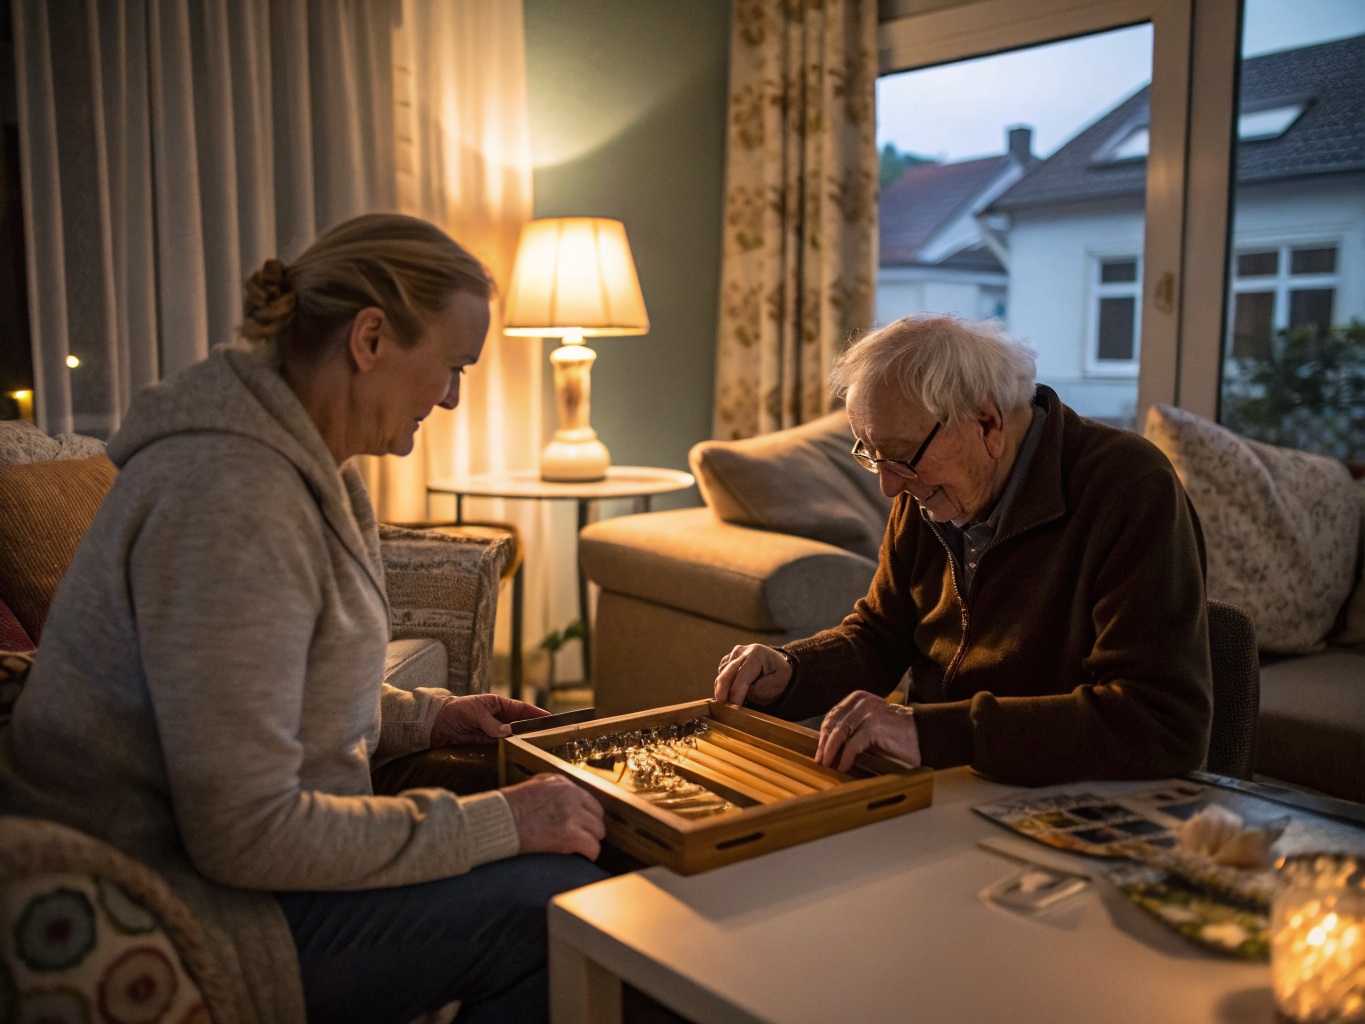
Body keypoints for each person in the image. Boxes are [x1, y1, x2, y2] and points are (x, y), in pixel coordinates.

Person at [0, 214, 606, 1024]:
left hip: (247, 862)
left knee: (575, 769)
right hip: (177, 897)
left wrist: (428, 719)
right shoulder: (229, 497)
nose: (454, 397)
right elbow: (243, 834)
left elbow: (262, 688)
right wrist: (500, 822)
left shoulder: (307, 461)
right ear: (369, 338)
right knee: (560, 906)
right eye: (452, 366)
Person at [715, 314, 1212, 786]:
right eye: (872, 454)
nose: (888, 486)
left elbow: (1159, 720)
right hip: (947, 781)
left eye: (902, 457)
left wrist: (932, 733)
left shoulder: (1129, 487)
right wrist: (790, 671)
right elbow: (882, 636)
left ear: (988, 424)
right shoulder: (930, 488)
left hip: (1063, 796)